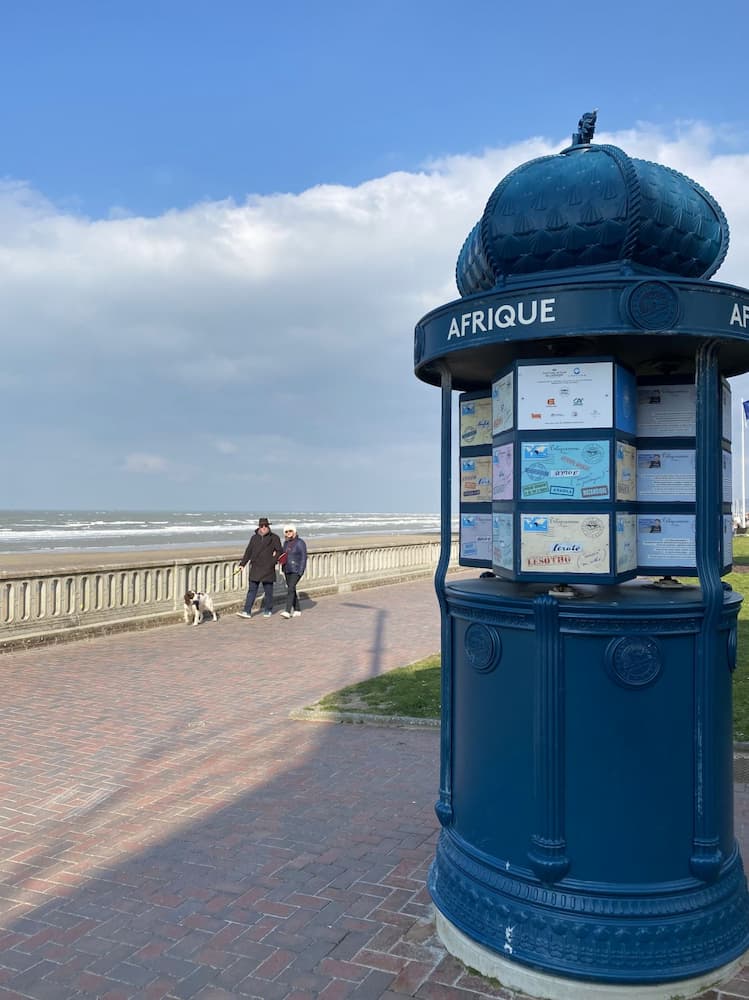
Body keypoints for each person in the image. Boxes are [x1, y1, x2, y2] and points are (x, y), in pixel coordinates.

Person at [236, 517, 282, 619]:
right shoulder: (254, 538)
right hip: (255, 568)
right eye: (262, 526)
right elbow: (248, 552)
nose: (264, 527)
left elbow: (279, 551)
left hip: (268, 569)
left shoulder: (274, 538)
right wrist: (242, 564)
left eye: (266, 525)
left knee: (268, 592)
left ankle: (268, 609)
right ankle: (247, 611)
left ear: (268, 526)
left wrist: (272, 561)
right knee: (252, 591)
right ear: (259, 527)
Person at [279, 524, 307, 619]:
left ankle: (287, 611)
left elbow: (304, 557)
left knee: (290, 588)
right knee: (292, 589)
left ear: (294, 532)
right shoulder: (285, 543)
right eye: (286, 532)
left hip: (296, 569)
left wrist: (301, 571)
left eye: (290, 531)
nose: (288, 533)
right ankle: (297, 609)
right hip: (287, 569)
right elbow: (283, 554)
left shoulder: (300, 543)